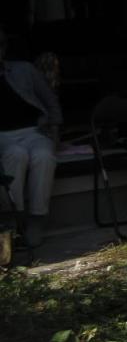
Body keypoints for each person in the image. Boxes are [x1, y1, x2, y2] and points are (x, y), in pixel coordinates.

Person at [0, 26, 61, 248]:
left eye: (1, 45)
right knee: (15, 155)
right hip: (3, 136)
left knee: (44, 156)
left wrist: (54, 128)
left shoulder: (23, 70)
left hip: (33, 131)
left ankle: (37, 219)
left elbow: (50, 101)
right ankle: (12, 219)